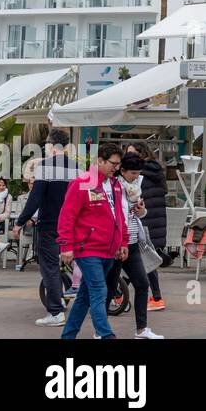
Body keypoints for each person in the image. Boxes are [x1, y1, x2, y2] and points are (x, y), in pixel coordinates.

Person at [58, 143, 127, 340]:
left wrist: (122, 242)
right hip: (87, 249)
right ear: (100, 161)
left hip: (109, 250)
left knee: (85, 297)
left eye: (118, 164)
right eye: (112, 163)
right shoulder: (83, 181)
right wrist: (66, 246)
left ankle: (68, 336)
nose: (115, 167)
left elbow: (119, 216)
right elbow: (67, 216)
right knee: (99, 291)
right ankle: (106, 335)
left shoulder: (115, 184)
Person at [12, 129, 80, 326]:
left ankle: (56, 312)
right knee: (77, 265)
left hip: (50, 225)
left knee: (49, 267)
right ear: (66, 146)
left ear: (50, 145)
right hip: (73, 226)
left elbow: (35, 200)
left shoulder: (45, 167)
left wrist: (19, 222)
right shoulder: (77, 168)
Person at [105, 155, 162, 339]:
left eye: (138, 174)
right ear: (122, 171)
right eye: (133, 173)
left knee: (142, 284)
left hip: (132, 242)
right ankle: (101, 329)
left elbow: (140, 214)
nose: (136, 177)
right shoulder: (113, 186)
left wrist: (141, 210)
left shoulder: (136, 187)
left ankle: (141, 329)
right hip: (116, 244)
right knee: (110, 287)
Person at [124, 142, 168, 311]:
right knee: (144, 259)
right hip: (155, 220)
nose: (129, 158)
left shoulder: (138, 175)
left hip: (145, 220)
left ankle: (156, 298)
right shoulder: (155, 171)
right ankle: (121, 294)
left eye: (132, 153)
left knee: (144, 259)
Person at [0, 177, 10, 257]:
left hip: (1, 222)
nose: (1, 187)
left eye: (3, 185)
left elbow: (7, 213)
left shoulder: (8, 197)